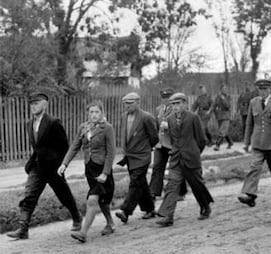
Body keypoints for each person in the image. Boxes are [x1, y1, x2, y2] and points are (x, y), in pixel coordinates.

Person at [6, 92, 82, 240]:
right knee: (29, 195)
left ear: (45, 105)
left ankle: (77, 217)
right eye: (31, 104)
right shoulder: (29, 124)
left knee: (63, 194)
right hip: (37, 167)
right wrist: (32, 162)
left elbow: (64, 146)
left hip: (53, 167)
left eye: (36, 103)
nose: (33, 107)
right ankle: (23, 228)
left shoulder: (54, 122)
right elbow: (37, 147)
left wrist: (61, 165)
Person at [58, 100, 116, 243]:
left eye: (97, 112)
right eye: (91, 112)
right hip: (89, 169)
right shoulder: (83, 127)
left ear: (102, 113)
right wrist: (64, 164)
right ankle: (110, 223)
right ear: (87, 113)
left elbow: (111, 152)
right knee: (101, 201)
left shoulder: (107, 128)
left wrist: (105, 173)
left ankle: (83, 233)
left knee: (92, 199)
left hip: (102, 169)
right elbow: (75, 146)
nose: (94, 115)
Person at [156, 93, 214, 227]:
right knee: (172, 185)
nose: (175, 107)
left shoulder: (193, 117)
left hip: (191, 158)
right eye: (173, 104)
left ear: (185, 104)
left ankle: (205, 206)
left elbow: (201, 140)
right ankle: (167, 216)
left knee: (197, 185)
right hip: (176, 158)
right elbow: (171, 139)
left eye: (178, 104)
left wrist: (194, 152)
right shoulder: (169, 119)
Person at [238, 79, 271, 207]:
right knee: (254, 167)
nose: (262, 92)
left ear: (269, 89)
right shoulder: (253, 102)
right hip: (257, 142)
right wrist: (246, 142)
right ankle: (250, 195)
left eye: (265, 89)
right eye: (260, 89)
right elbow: (249, 123)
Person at [114, 92, 159, 224]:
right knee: (141, 184)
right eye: (125, 104)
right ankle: (150, 209)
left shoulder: (146, 117)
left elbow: (154, 137)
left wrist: (145, 148)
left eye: (130, 103)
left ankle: (125, 211)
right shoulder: (123, 117)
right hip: (130, 157)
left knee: (135, 183)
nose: (127, 106)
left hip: (142, 157)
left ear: (138, 103)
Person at [149, 88, 187, 202]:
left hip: (172, 143)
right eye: (163, 98)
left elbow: (180, 125)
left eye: (168, 98)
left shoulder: (176, 109)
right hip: (160, 144)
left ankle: (181, 192)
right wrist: (153, 141)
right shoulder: (158, 110)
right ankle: (153, 193)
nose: (165, 100)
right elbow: (156, 126)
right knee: (157, 167)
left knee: (176, 168)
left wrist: (169, 126)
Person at [212, 83, 233, 151]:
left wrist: (223, 99)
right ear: (221, 90)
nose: (225, 90)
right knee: (224, 131)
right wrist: (215, 114)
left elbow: (228, 106)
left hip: (226, 116)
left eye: (226, 89)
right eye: (223, 89)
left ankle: (217, 145)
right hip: (220, 116)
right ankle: (230, 142)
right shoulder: (218, 97)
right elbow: (214, 105)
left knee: (222, 131)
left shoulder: (228, 97)